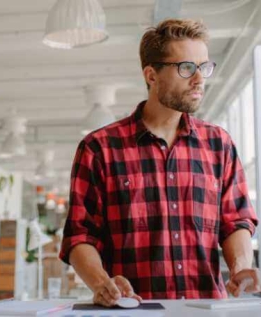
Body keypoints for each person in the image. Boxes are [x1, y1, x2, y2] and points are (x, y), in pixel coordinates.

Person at [59, 18, 258, 306]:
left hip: (205, 310)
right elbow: (80, 236)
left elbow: (236, 221)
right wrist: (103, 283)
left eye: (204, 67)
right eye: (187, 68)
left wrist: (240, 268)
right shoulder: (99, 148)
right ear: (151, 75)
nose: (199, 79)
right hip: (133, 310)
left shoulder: (219, 145)